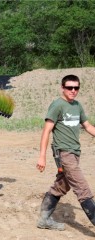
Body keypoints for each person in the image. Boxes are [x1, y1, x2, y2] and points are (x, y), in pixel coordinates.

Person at [36, 74, 95, 230]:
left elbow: (88, 126)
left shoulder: (77, 106)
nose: (73, 90)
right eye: (69, 87)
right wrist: (42, 156)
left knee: (62, 186)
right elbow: (46, 131)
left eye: (76, 88)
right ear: (62, 88)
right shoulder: (57, 105)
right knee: (82, 188)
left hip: (75, 153)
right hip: (63, 153)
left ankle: (44, 219)